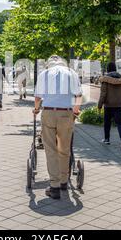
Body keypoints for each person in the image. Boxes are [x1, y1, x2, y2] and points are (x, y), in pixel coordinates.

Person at [34, 55, 83, 199]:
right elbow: (78, 96)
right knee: (64, 149)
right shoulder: (71, 73)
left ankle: (54, 186)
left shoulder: (44, 73)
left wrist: (36, 109)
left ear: (49, 64)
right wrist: (75, 111)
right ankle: (63, 182)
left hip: (48, 112)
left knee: (51, 150)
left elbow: (38, 97)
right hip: (66, 114)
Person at [98, 62, 121, 151]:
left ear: (108, 69)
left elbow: (103, 94)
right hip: (118, 105)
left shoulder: (105, 80)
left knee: (107, 123)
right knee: (119, 123)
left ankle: (107, 139)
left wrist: (99, 105)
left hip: (108, 105)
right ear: (115, 68)